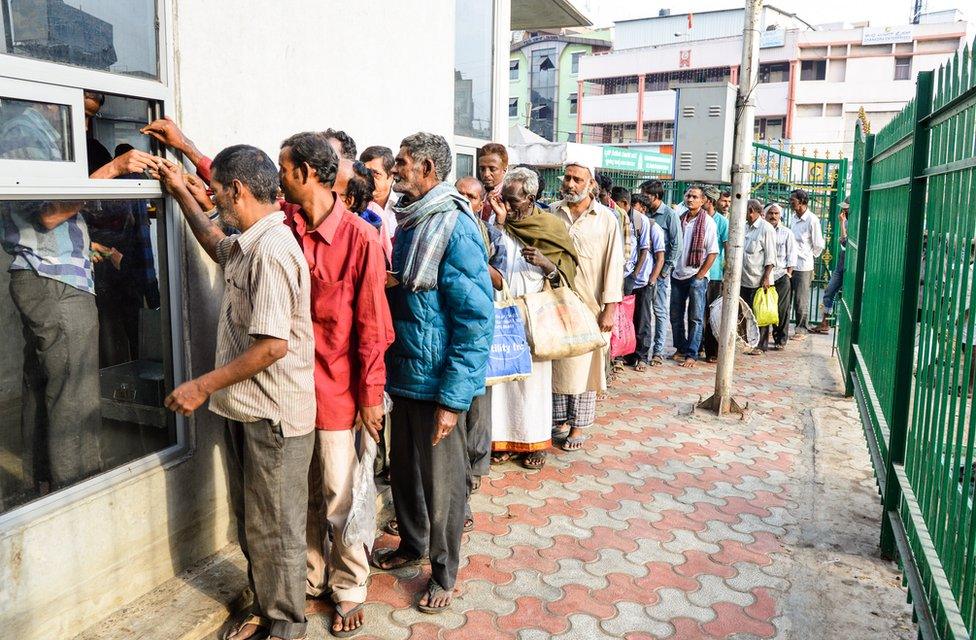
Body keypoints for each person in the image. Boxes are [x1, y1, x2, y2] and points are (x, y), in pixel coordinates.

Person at [156, 146, 315, 640]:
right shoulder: (249, 242)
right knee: (255, 524)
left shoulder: (271, 251)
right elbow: (214, 240)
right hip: (247, 412)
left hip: (273, 419)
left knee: (277, 530)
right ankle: (268, 608)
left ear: (238, 190)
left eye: (217, 190)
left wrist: (200, 386)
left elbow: (270, 347)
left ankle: (286, 624)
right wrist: (181, 192)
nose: (214, 196)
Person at [1, 94, 162, 497]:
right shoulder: (25, 132)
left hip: (47, 276)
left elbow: (44, 227)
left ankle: (46, 485)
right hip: (55, 284)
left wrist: (92, 248)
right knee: (74, 394)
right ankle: (79, 492)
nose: (87, 126)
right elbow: (49, 213)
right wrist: (115, 168)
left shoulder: (40, 136)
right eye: (84, 115)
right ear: (57, 100)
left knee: (48, 389)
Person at [277, 132, 394, 637]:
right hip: (287, 389)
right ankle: (311, 576)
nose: (279, 177)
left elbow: (371, 325)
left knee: (340, 496)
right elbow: (229, 182)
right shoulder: (283, 224)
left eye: (284, 169)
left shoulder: (360, 238)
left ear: (305, 173)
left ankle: (349, 587)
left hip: (338, 393)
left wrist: (370, 398)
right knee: (301, 494)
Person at [371, 132, 493, 614]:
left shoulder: (453, 226)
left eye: (401, 162)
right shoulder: (410, 220)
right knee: (405, 473)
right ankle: (410, 544)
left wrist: (453, 398)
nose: (396, 169)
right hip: (405, 373)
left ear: (425, 167)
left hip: (438, 380)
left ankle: (443, 572)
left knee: (444, 486)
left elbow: (474, 319)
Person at [486, 168, 578, 469]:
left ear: (531, 197)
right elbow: (488, 256)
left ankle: (535, 443)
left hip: (536, 313)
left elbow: (566, 274)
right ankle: (503, 441)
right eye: (504, 199)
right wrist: (499, 223)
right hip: (503, 308)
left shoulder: (550, 226)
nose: (508, 205)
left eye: (513, 200)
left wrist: (546, 263)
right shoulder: (499, 221)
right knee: (503, 378)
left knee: (534, 382)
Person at [550, 163, 624, 451]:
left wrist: (610, 308)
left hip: (591, 306)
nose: (570, 183)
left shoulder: (606, 219)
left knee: (585, 368)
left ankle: (578, 426)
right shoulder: (552, 213)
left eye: (576, 179)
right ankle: (558, 421)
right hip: (556, 303)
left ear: (590, 183)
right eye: (567, 177)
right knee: (558, 362)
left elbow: (614, 265)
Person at [669, 186, 719, 368]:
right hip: (677, 274)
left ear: (703, 201)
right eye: (688, 195)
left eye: (694, 197)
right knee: (675, 315)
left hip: (696, 276)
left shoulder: (708, 223)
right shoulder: (680, 219)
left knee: (696, 317)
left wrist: (700, 276)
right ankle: (680, 348)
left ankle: (692, 354)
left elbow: (713, 252)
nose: (690, 199)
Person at [639, 180, 681, 366]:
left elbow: (676, 245)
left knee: (660, 311)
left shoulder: (669, 215)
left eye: (646, 195)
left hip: (661, 272)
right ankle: (642, 350)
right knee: (644, 312)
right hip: (644, 272)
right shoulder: (644, 213)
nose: (643, 198)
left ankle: (658, 351)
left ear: (655, 196)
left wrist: (664, 271)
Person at [626, 193, 666, 372]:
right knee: (627, 319)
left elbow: (660, 257)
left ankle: (642, 356)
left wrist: (652, 280)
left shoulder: (652, 227)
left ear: (642, 208)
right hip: (627, 280)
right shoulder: (626, 224)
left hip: (643, 281)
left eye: (635, 206)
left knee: (643, 320)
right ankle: (627, 354)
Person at [739, 199, 779, 355]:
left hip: (759, 279)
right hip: (743, 278)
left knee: (760, 313)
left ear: (751, 211)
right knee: (745, 312)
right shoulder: (744, 227)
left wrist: (766, 277)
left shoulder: (766, 228)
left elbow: (771, 257)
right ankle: (748, 341)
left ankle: (760, 345)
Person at [788, 189, 824, 339]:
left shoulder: (812, 220)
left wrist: (808, 257)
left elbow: (818, 244)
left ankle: (801, 329)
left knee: (800, 300)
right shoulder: (793, 217)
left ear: (802, 202)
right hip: (789, 264)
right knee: (786, 298)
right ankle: (782, 328)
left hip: (803, 266)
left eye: (793, 200)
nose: (790, 202)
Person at [700, 187, 730, 363]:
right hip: (699, 273)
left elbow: (727, 250)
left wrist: (728, 276)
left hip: (716, 274)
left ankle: (712, 351)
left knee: (712, 314)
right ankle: (698, 345)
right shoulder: (698, 219)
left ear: (708, 201)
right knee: (697, 313)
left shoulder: (722, 223)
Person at [812, 198, 849, 334]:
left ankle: (845, 328)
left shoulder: (854, 221)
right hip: (841, 262)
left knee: (848, 297)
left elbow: (844, 242)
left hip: (850, 264)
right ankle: (825, 322)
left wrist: (841, 224)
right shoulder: (846, 220)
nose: (844, 210)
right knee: (829, 291)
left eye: (846, 208)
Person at [765, 202, 798, 350]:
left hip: (781, 275)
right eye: (770, 213)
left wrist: (788, 274)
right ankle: (761, 339)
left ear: (780, 216)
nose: (773, 216)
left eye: (776, 213)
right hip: (764, 275)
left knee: (782, 308)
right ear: (765, 215)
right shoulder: (763, 231)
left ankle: (780, 339)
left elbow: (792, 255)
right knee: (764, 307)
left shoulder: (787, 233)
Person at [360, 145, 399, 238]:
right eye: (365, 172)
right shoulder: (352, 204)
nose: (368, 178)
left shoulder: (401, 209)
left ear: (391, 177)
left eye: (376, 174)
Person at [476, 142, 508, 220]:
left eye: (492, 169)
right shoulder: (475, 194)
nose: (486, 174)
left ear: (504, 170)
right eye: (482, 169)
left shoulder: (510, 196)